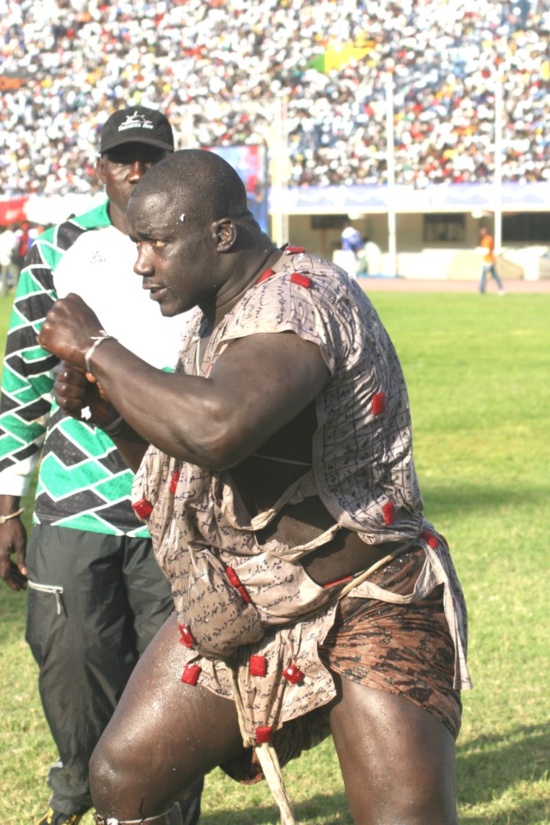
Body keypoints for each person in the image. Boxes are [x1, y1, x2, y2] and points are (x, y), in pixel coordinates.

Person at [38, 149, 471, 825]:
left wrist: (97, 349)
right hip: (250, 598)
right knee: (124, 777)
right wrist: (113, 412)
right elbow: (192, 471)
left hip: (367, 597)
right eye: (136, 244)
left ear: (222, 234)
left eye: (157, 243)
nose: (141, 264)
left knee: (402, 818)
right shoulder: (213, 318)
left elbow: (219, 428)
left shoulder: (297, 299)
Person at [0, 109, 203, 825]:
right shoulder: (62, 243)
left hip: (176, 501)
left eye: (152, 157)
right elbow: (23, 376)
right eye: (123, 158)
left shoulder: (199, 240)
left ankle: (162, 811)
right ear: (100, 168)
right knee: (71, 661)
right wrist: (6, 500)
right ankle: (79, 793)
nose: (137, 171)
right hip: (72, 501)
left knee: (177, 677)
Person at [477, 226, 505, 294]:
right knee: (494, 275)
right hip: (487, 260)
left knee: (483, 275)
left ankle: (482, 290)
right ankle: (501, 288)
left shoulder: (488, 239)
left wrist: (479, 250)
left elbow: (487, 250)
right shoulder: (484, 239)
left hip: (488, 260)